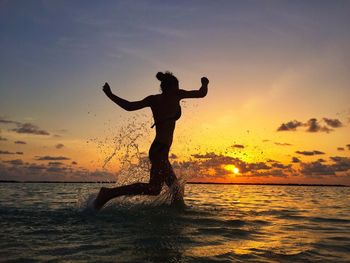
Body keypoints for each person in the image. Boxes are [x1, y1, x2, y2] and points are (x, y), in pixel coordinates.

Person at [93, 71, 209, 210]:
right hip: (159, 150)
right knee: (175, 189)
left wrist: (110, 95)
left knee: (154, 189)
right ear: (172, 87)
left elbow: (129, 106)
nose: (178, 89)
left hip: (158, 149)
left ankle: (109, 193)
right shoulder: (176, 95)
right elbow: (201, 93)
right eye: (177, 86)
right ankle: (176, 220)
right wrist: (205, 84)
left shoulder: (154, 99)